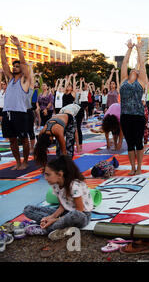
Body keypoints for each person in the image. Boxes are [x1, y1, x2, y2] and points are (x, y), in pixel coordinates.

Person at [23, 155, 93, 237]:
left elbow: (79, 210)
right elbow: (62, 206)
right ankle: (51, 224)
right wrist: (51, 217)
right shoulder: (55, 185)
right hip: (65, 213)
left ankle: (47, 229)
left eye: (48, 175)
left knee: (75, 215)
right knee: (28, 209)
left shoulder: (74, 185)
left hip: (81, 216)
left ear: (60, 174)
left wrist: (55, 220)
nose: (45, 178)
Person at [0, 35, 33, 170]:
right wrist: (2, 46)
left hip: (20, 113)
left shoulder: (25, 80)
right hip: (7, 113)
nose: (14, 68)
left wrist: (18, 47)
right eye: (14, 66)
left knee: (24, 139)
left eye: (17, 66)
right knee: (12, 140)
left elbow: (25, 66)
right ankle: (17, 162)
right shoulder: (10, 80)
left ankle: (25, 161)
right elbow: (4, 64)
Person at [120, 39, 148, 175]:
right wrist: (129, 49)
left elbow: (142, 64)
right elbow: (124, 63)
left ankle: (139, 167)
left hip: (138, 116)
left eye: (135, 70)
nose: (133, 69)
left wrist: (139, 49)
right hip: (125, 116)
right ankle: (132, 167)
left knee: (138, 142)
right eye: (132, 69)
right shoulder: (123, 81)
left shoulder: (141, 82)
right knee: (130, 143)